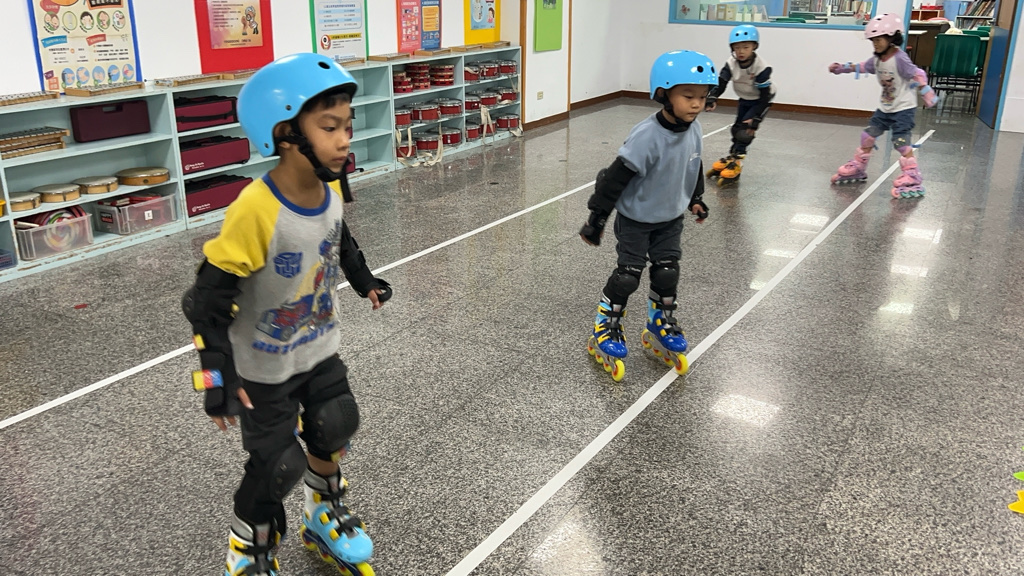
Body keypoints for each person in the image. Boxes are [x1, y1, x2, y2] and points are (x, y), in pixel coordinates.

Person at [181, 53, 391, 576]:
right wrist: (217, 379)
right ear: (284, 133)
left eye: (347, 126)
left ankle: (323, 513)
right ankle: (247, 552)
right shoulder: (256, 209)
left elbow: (337, 238)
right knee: (277, 465)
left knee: (334, 425)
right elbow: (204, 303)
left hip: (318, 348)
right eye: (329, 127)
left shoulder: (330, 186)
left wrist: (364, 279)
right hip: (263, 369)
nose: (344, 140)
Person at [579, 50, 716, 382]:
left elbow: (693, 164)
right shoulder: (647, 135)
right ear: (663, 93)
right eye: (688, 96)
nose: (696, 104)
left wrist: (695, 199)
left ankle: (659, 322)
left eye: (702, 97)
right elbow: (614, 179)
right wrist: (597, 219)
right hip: (636, 219)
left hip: (670, 219)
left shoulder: (694, 129)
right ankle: (605, 326)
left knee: (667, 272)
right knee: (628, 276)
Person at [828, 13, 938, 198]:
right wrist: (843, 68)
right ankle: (859, 167)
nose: (875, 44)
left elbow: (917, 73)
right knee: (868, 136)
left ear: (892, 38)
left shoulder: (900, 58)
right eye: (873, 41)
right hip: (885, 107)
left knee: (900, 141)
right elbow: (863, 66)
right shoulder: (878, 59)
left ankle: (912, 175)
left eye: (879, 40)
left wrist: (926, 92)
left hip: (903, 108)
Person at [705, 24, 776, 186]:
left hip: (762, 99)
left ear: (754, 47)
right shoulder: (731, 63)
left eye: (745, 47)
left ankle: (737, 161)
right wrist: (713, 97)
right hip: (745, 98)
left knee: (745, 131)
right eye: (737, 48)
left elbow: (765, 96)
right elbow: (721, 82)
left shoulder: (761, 67)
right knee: (736, 129)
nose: (741, 51)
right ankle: (733, 156)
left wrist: (757, 118)